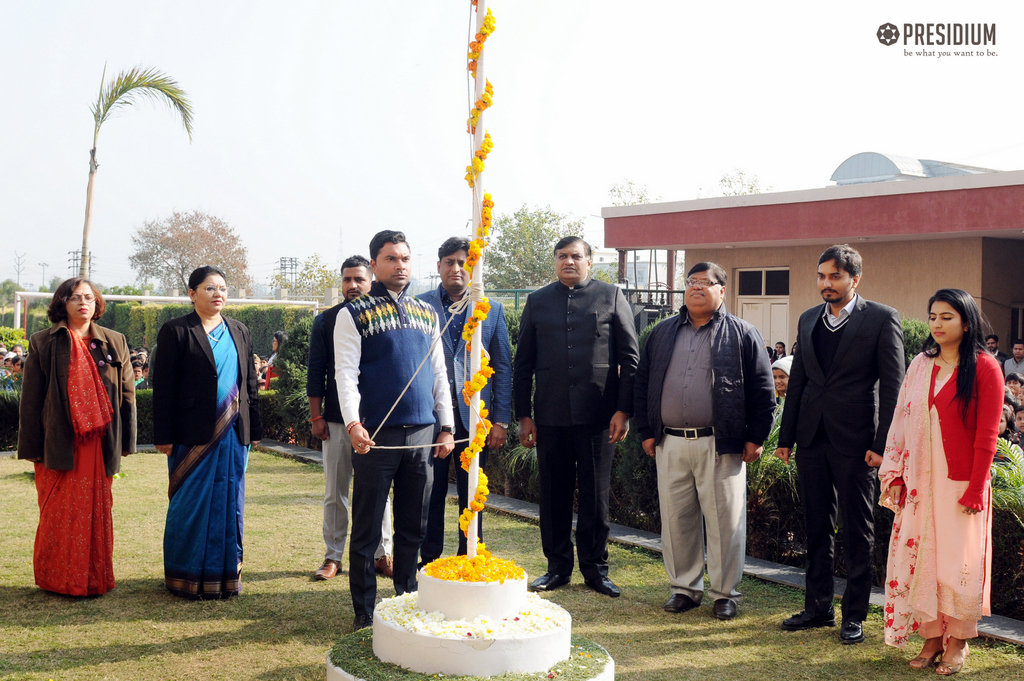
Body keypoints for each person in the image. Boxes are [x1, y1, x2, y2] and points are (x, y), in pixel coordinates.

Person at [776, 244, 905, 645]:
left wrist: (883, 444)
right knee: (815, 525)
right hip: (812, 437)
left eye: (834, 276)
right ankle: (817, 608)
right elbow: (798, 381)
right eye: (821, 276)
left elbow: (894, 386)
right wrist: (787, 437)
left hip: (858, 441)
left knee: (857, 530)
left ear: (855, 279)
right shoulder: (808, 318)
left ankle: (855, 615)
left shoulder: (882, 319)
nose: (825, 284)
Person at [634, 262, 775, 619]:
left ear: (722, 291)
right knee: (676, 520)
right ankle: (684, 589)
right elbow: (643, 383)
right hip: (671, 443)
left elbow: (763, 388)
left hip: (720, 443)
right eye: (691, 282)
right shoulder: (662, 332)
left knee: (725, 521)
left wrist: (756, 437)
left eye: (706, 283)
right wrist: (646, 432)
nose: (697, 288)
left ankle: (725, 593)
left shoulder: (742, 333)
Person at [335, 230, 455, 630]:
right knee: (367, 528)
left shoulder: (428, 313)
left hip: (423, 434)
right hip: (374, 438)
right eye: (390, 258)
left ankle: (404, 601)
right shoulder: (353, 314)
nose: (399, 265)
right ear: (374, 265)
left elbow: (439, 374)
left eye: (404, 258)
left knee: (413, 526)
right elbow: (346, 374)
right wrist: (353, 423)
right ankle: (365, 612)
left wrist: (447, 426)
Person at [879, 288, 1001, 674]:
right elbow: (900, 418)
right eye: (932, 316)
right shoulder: (919, 364)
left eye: (946, 317)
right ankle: (931, 638)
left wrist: (976, 487)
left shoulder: (984, 368)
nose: (936, 324)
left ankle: (958, 642)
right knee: (919, 560)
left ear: (966, 322)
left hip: (961, 483)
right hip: (918, 482)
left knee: (957, 562)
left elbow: (987, 435)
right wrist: (896, 473)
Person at [514, 236, 639, 598]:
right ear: (554, 262)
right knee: (553, 495)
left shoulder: (611, 296)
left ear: (589, 261)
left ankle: (596, 569)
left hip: (599, 417)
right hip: (550, 417)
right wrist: (523, 414)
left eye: (576, 256)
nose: (569, 261)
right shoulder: (538, 302)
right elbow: (523, 365)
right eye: (562, 256)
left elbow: (630, 361)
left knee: (596, 497)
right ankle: (556, 568)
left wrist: (624, 410)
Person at [17, 278, 136, 596]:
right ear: (62, 303)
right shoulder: (44, 341)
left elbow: (127, 394)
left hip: (98, 444)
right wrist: (31, 447)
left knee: (96, 510)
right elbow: (31, 399)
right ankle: (56, 578)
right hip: (59, 443)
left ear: (97, 303)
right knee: (58, 512)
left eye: (89, 297)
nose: (83, 302)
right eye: (75, 297)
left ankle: (94, 578)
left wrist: (127, 442)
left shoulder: (115, 341)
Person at [153, 265, 263, 599]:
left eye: (223, 289)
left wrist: (254, 427)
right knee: (188, 505)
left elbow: (250, 384)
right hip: (191, 435)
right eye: (209, 288)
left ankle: (225, 578)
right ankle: (183, 577)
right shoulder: (176, 331)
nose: (218, 294)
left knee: (231, 503)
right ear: (192, 293)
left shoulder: (239, 331)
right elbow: (164, 388)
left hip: (233, 435)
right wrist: (163, 435)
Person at [419, 237, 512, 564]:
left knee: (472, 491)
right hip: (430, 418)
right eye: (449, 262)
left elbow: (502, 365)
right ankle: (428, 558)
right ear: (439, 267)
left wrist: (500, 420)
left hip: (476, 417)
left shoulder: (492, 309)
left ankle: (468, 554)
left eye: (464, 262)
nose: (456, 268)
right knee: (431, 491)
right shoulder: (421, 305)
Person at [308, 255, 395, 581]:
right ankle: (333, 557)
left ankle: (382, 554)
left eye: (359, 279)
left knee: (379, 492)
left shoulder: (385, 317)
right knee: (336, 492)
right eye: (347, 280)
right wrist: (316, 416)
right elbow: (316, 372)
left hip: (377, 422)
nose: (353, 286)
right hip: (335, 421)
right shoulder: (326, 321)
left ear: (371, 278)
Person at [771, 355, 793, 430]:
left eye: (782, 377)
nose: (777, 381)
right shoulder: (769, 397)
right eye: (774, 377)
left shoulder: (798, 398)